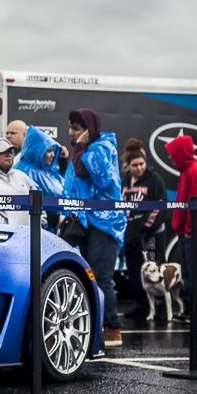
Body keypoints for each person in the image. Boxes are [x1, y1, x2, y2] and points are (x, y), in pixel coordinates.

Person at [63, 108, 127, 348]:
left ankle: (112, 328)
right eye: (70, 127)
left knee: (101, 277)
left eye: (76, 129)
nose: (72, 133)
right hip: (87, 222)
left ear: (90, 130)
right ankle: (94, 328)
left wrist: (79, 147)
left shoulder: (103, 148)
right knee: (87, 277)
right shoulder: (82, 151)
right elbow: (71, 186)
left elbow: (92, 174)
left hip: (106, 223)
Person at [164, 134, 197, 323]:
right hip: (189, 232)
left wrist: (191, 229)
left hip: (196, 232)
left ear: (181, 153)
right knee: (189, 273)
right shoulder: (187, 171)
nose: (171, 158)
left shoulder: (195, 172)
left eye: (173, 154)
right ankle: (191, 310)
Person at [119, 140, 168, 320]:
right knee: (135, 271)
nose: (139, 168)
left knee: (155, 269)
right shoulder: (125, 181)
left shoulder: (154, 179)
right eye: (135, 165)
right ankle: (141, 305)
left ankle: (161, 307)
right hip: (130, 235)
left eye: (141, 164)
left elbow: (161, 204)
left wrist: (145, 226)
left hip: (151, 234)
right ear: (128, 166)